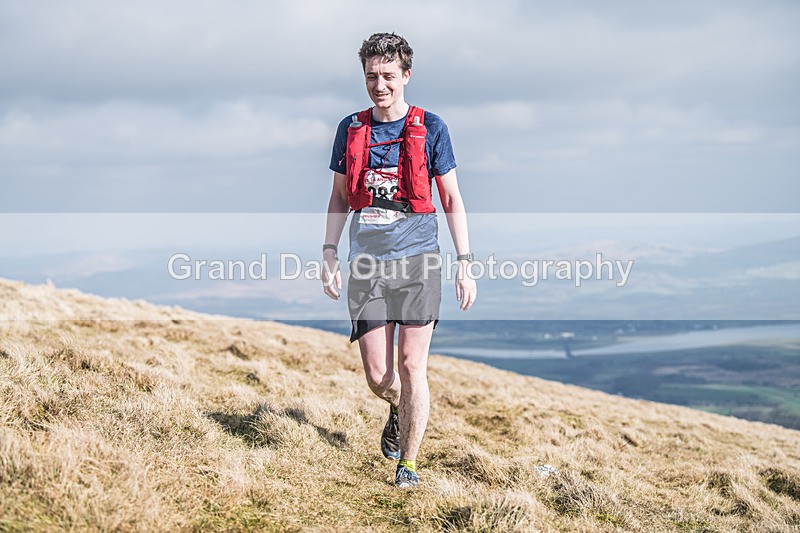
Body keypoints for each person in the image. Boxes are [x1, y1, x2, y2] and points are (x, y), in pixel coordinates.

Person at [322, 32, 476, 488]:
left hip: (419, 261)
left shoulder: (432, 127)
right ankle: (398, 406)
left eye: (388, 75)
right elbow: (337, 199)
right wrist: (329, 253)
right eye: (372, 75)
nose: (380, 84)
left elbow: (451, 197)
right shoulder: (350, 128)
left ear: (406, 76)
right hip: (366, 263)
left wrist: (465, 262)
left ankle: (408, 463)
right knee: (379, 375)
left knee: (412, 367)